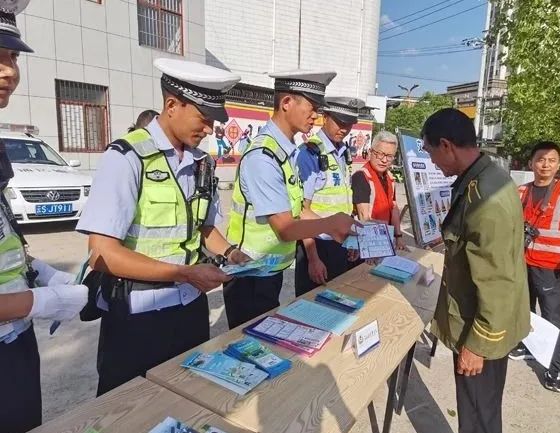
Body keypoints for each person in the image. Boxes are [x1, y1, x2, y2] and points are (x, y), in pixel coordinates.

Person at [77, 58, 250, 396]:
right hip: (136, 319)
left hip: (190, 310)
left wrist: (230, 252)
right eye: (203, 118)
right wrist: (184, 273)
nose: (209, 130)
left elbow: (202, 228)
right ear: (172, 105)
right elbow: (102, 255)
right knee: (127, 410)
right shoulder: (127, 157)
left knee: (184, 401)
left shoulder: (203, 163)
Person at [0, 2, 88, 431]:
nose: (9, 71)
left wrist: (38, 272)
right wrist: (42, 302)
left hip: (14, 343)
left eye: (12, 56)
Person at [421, 108, 529, 433]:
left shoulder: (485, 197)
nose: (433, 163)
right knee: (479, 411)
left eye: (430, 153)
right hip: (480, 321)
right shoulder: (483, 177)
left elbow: (498, 282)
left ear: (446, 145)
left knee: (478, 418)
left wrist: (477, 345)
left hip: (480, 329)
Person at [224, 70, 358, 329]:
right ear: (286, 103)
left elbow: (298, 211)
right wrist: (331, 225)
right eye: (311, 107)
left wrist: (351, 228)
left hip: (269, 271)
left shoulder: (285, 154)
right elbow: (285, 228)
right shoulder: (264, 156)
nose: (315, 116)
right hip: (249, 273)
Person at [509, 141, 560, 393]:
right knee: (524, 308)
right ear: (531, 163)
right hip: (522, 263)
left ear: (558, 164)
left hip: (550, 266)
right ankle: (526, 346)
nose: (545, 165)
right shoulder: (520, 191)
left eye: (551, 160)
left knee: (551, 316)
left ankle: (554, 365)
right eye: (541, 159)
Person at [294, 97, 363, 296]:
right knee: (312, 308)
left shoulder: (343, 153)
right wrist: (313, 258)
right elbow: (300, 211)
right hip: (317, 245)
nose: (344, 129)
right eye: (340, 122)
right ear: (325, 118)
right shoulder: (309, 154)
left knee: (337, 305)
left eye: (349, 124)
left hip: (339, 242)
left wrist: (350, 242)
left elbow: (343, 203)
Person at [351, 131, 407, 250]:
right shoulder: (361, 176)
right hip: (369, 242)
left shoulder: (390, 177)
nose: (384, 160)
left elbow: (394, 208)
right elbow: (363, 217)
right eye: (380, 154)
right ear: (371, 152)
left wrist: (398, 236)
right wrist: (372, 248)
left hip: (385, 238)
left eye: (389, 156)